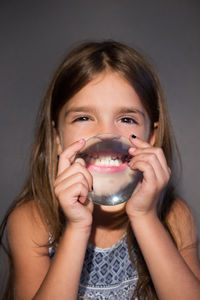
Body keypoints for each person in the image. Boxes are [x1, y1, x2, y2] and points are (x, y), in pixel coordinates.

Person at [0, 40, 200, 300]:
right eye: (83, 118)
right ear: (57, 137)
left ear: (151, 137)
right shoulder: (33, 222)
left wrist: (145, 216)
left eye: (126, 119)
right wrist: (77, 227)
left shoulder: (174, 217)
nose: (106, 136)